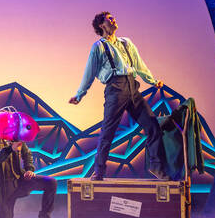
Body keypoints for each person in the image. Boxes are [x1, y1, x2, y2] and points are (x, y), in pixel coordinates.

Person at [68, 12, 167, 180]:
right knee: (108, 132)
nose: (114, 19)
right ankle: (99, 171)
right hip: (115, 88)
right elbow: (89, 73)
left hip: (132, 87)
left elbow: (139, 65)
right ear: (101, 25)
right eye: (109, 18)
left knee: (153, 126)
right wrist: (79, 94)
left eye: (113, 17)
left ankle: (156, 167)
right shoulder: (99, 46)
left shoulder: (126, 43)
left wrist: (152, 81)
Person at [0, 137, 60, 218]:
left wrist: (29, 169)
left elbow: (27, 154)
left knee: (50, 182)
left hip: (20, 180)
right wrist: (10, 149)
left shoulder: (15, 138)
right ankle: (0, 212)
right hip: (4, 186)